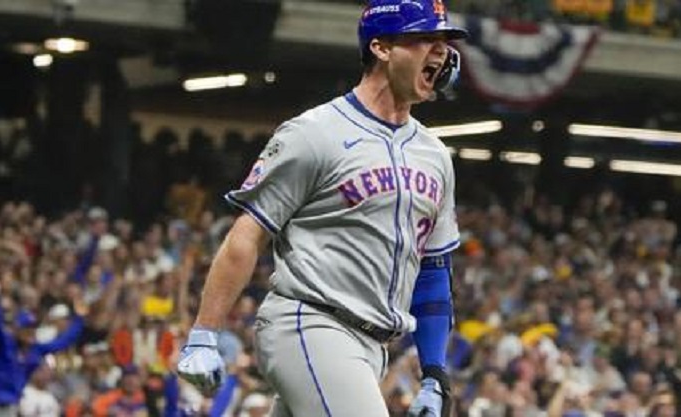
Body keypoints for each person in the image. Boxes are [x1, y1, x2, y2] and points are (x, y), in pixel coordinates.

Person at [176, 0, 467, 416]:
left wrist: (434, 373)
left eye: (444, 40)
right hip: (310, 323)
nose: (441, 50)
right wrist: (205, 332)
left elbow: (433, 271)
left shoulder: (434, 155)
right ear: (381, 47)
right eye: (425, 37)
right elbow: (247, 234)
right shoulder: (315, 133)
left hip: (373, 348)